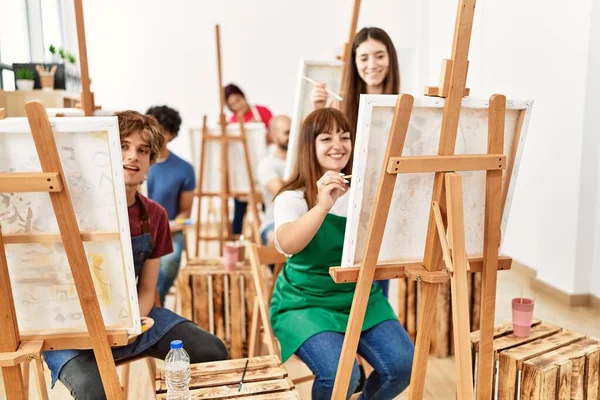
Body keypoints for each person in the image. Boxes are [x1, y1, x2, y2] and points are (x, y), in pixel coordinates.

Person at [43, 111, 228, 399]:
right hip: (71, 329)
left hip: (132, 318)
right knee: (96, 391)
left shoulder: (155, 215)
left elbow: (147, 288)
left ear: (151, 161)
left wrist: (132, 324)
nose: (133, 157)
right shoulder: (74, 210)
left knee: (212, 351)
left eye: (143, 151)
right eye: (123, 147)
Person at [270, 108, 413, 400]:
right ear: (309, 146)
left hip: (360, 297)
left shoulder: (364, 192)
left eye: (345, 136)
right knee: (341, 376)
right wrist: (322, 205)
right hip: (305, 303)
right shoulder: (292, 196)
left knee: (403, 366)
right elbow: (287, 244)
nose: (338, 144)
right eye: (326, 138)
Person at [310, 27, 400, 298]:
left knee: (377, 285)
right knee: (347, 281)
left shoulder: (405, 105)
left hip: (389, 203)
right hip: (348, 206)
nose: (372, 65)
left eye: (379, 55)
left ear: (391, 59)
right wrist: (319, 112)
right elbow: (323, 154)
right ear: (354, 63)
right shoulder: (344, 106)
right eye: (364, 58)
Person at [145, 105, 195, 306]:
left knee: (170, 258)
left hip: (168, 230)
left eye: (162, 132)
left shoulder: (184, 169)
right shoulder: (134, 162)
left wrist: (174, 224)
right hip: (137, 229)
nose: (155, 136)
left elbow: (185, 211)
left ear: (171, 135)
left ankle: (156, 303)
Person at [224, 83, 274, 237]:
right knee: (240, 208)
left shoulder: (262, 112)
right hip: (244, 170)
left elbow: (274, 135)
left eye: (238, 100)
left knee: (268, 204)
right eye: (232, 105)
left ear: (244, 96)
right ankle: (235, 243)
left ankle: (268, 239)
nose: (237, 106)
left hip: (264, 164)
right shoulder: (232, 123)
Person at [256, 115, 290, 246]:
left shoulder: (302, 160)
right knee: (275, 238)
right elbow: (281, 192)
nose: (292, 137)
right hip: (274, 222)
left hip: (302, 219)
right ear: (274, 135)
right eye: (287, 133)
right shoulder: (267, 164)